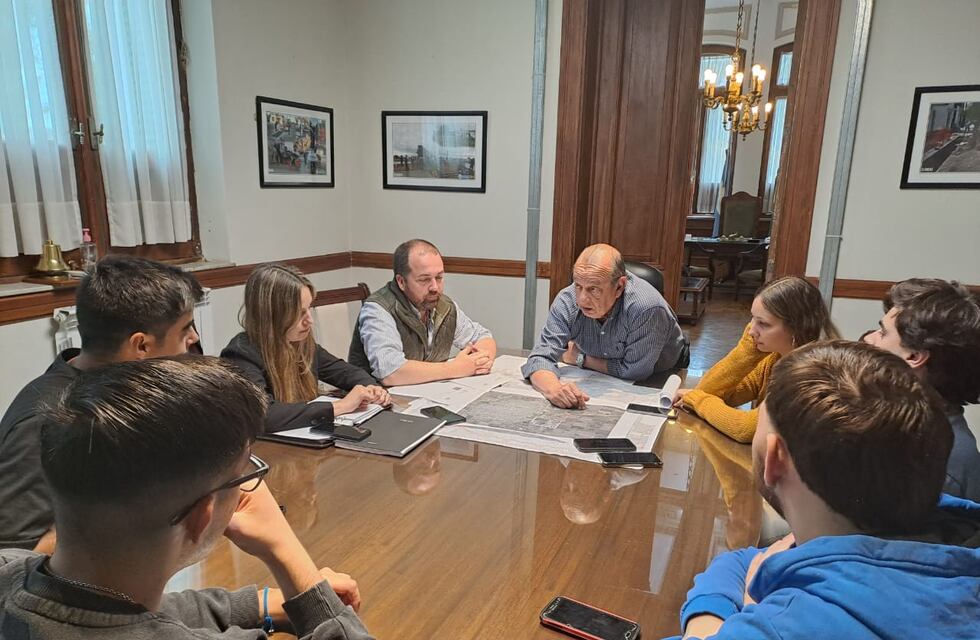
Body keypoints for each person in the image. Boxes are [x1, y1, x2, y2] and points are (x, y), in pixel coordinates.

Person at [0, 356, 373, 639]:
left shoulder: (10, 569)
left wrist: (261, 605)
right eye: (246, 471)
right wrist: (291, 560)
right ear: (203, 516)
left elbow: (117, 605)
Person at [674, 341, 980, 640]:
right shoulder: (951, 532)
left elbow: (748, 568)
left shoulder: (784, 627)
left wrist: (706, 624)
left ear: (774, 459)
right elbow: (744, 560)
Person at [0, 256, 202, 553]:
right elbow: (14, 555)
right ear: (141, 346)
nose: (194, 338)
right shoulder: (48, 419)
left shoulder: (124, 385)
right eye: (185, 329)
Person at [222, 264, 390, 434]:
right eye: (299, 312)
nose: (310, 320)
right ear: (272, 314)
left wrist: (371, 388)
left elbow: (345, 371)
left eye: (309, 308)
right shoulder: (241, 354)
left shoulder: (301, 343)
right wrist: (340, 406)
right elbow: (264, 415)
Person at [676, 276, 839, 442]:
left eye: (763, 324)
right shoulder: (775, 357)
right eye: (752, 318)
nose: (751, 331)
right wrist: (746, 351)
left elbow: (746, 429)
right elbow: (712, 391)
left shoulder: (812, 374)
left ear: (797, 328)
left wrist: (699, 401)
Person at [523, 244, 686, 409]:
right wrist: (555, 390)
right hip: (597, 379)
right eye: (578, 286)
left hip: (658, 379)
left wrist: (580, 358)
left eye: (593, 289)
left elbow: (634, 371)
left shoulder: (646, 307)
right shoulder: (567, 300)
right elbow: (540, 358)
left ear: (619, 287)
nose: (582, 300)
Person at [862, 278, 980, 502]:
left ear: (914, 356)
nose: (869, 338)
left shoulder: (936, 460)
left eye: (882, 332)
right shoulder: (903, 423)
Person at [349, 239, 496, 386]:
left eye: (439, 277)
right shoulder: (378, 309)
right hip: (377, 402)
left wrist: (480, 361)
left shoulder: (443, 305)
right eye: (424, 280)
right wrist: (457, 368)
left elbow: (482, 337)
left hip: (429, 397)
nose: (435, 287)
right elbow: (390, 372)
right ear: (401, 281)